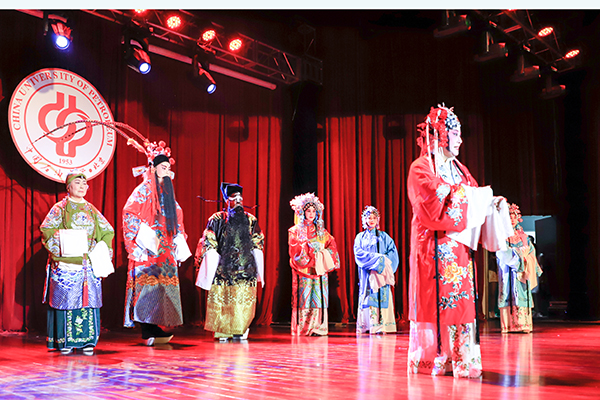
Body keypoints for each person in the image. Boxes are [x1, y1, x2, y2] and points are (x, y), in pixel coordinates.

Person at [406, 104, 484, 378]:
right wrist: (466, 196)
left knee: (461, 302)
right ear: (440, 135)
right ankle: (437, 358)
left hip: (460, 248)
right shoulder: (421, 168)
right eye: (455, 133)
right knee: (436, 301)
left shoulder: (460, 169)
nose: (461, 140)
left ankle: (462, 359)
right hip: (433, 247)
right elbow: (430, 201)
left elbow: (472, 195)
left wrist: (488, 202)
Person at [122, 141, 191, 346]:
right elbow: (129, 213)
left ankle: (156, 325)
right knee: (148, 286)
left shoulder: (167, 193)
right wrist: (143, 237)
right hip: (149, 247)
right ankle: (147, 329)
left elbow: (177, 216)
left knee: (162, 287)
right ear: (152, 168)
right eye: (163, 167)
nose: (167, 171)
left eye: (169, 168)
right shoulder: (143, 190)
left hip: (165, 248)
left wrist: (179, 236)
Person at [41, 170, 115, 355]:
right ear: (68, 187)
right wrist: (65, 243)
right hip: (66, 263)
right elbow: (47, 229)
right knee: (66, 302)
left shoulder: (91, 209)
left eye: (85, 184)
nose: (82, 186)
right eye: (78, 183)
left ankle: (87, 342)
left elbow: (107, 231)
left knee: (88, 302)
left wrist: (101, 249)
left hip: (86, 264)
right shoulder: (59, 209)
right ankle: (65, 341)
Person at [195, 182, 265, 342]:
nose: (238, 201)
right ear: (227, 200)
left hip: (245, 268)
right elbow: (209, 238)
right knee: (223, 299)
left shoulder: (251, 219)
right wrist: (214, 255)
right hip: (223, 267)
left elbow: (258, 239)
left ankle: (241, 329)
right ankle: (222, 331)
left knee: (242, 301)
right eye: (234, 198)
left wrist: (255, 256)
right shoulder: (217, 219)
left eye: (240, 198)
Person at [288, 193, 340, 336]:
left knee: (318, 298)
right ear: (302, 212)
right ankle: (304, 328)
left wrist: (321, 255)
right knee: (304, 298)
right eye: (308, 211)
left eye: (313, 211)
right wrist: (310, 253)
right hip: (304, 270)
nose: (311, 214)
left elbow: (332, 246)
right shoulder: (295, 231)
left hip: (319, 269)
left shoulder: (322, 232)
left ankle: (318, 327)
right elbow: (294, 251)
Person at [495, 204, 543, 333]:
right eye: (509, 218)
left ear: (518, 219)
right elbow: (501, 252)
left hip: (523, 271)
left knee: (522, 293)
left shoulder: (524, 237)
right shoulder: (502, 236)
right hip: (509, 270)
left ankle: (523, 324)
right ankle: (508, 325)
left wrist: (527, 258)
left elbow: (531, 251)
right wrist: (519, 256)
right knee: (508, 292)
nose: (512, 220)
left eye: (514, 217)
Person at [354, 205, 399, 334]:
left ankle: (383, 325)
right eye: (369, 218)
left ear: (377, 220)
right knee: (368, 296)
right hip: (367, 273)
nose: (371, 220)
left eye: (374, 218)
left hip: (381, 274)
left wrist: (382, 263)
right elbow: (358, 254)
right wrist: (375, 260)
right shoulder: (360, 237)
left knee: (381, 295)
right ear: (365, 220)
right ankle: (369, 325)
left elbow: (393, 253)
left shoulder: (384, 236)